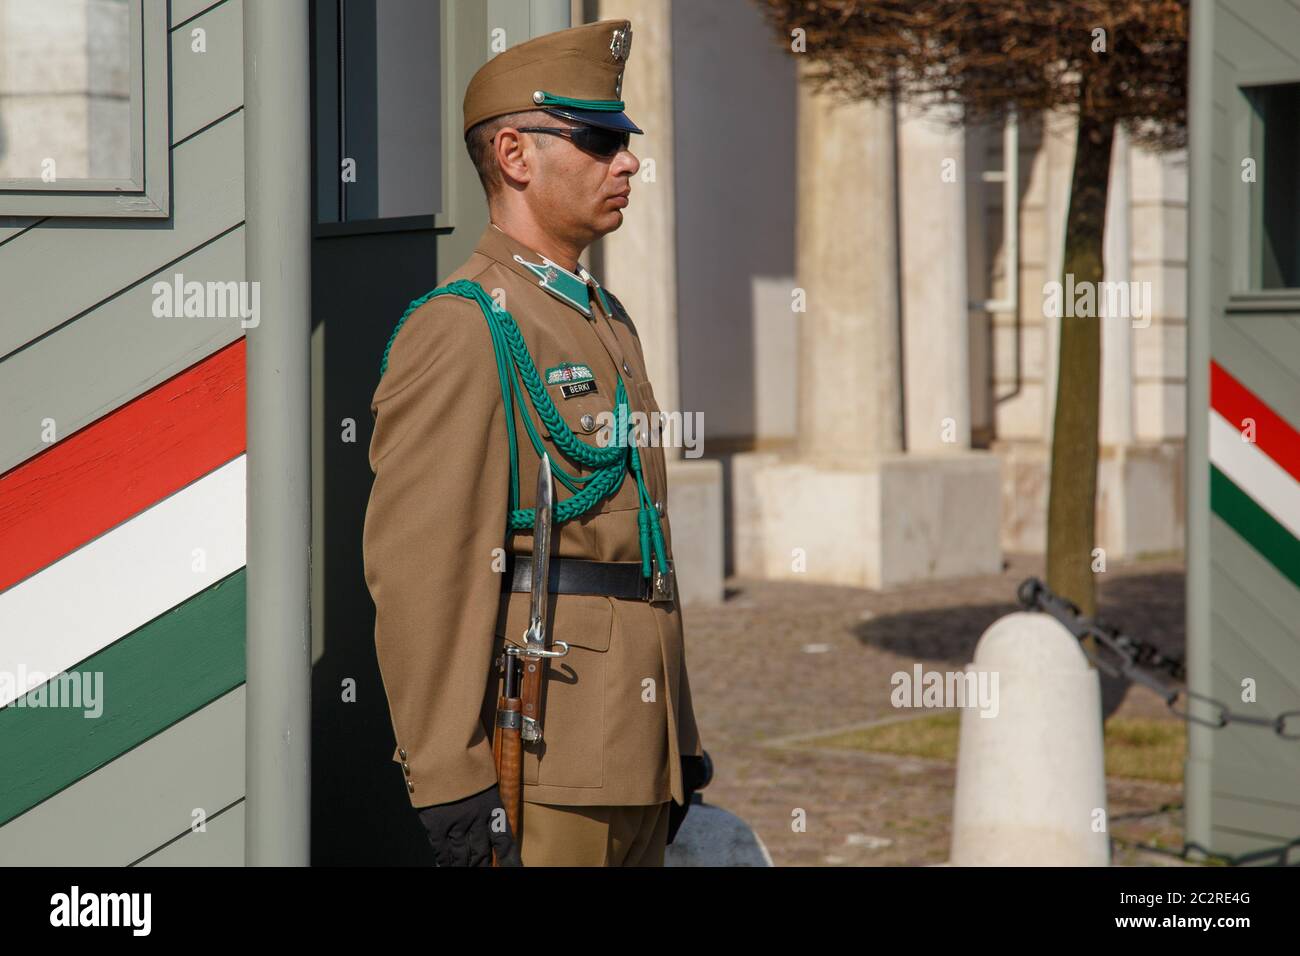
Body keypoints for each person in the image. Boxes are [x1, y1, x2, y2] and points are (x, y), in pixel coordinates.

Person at [362, 18, 706, 867]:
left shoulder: (602, 317)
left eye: (624, 142)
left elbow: (644, 549)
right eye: (598, 140)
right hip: (545, 760)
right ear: (515, 156)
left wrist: (679, 732)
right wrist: (452, 782)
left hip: (633, 754)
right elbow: (423, 574)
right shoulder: (466, 327)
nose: (627, 162)